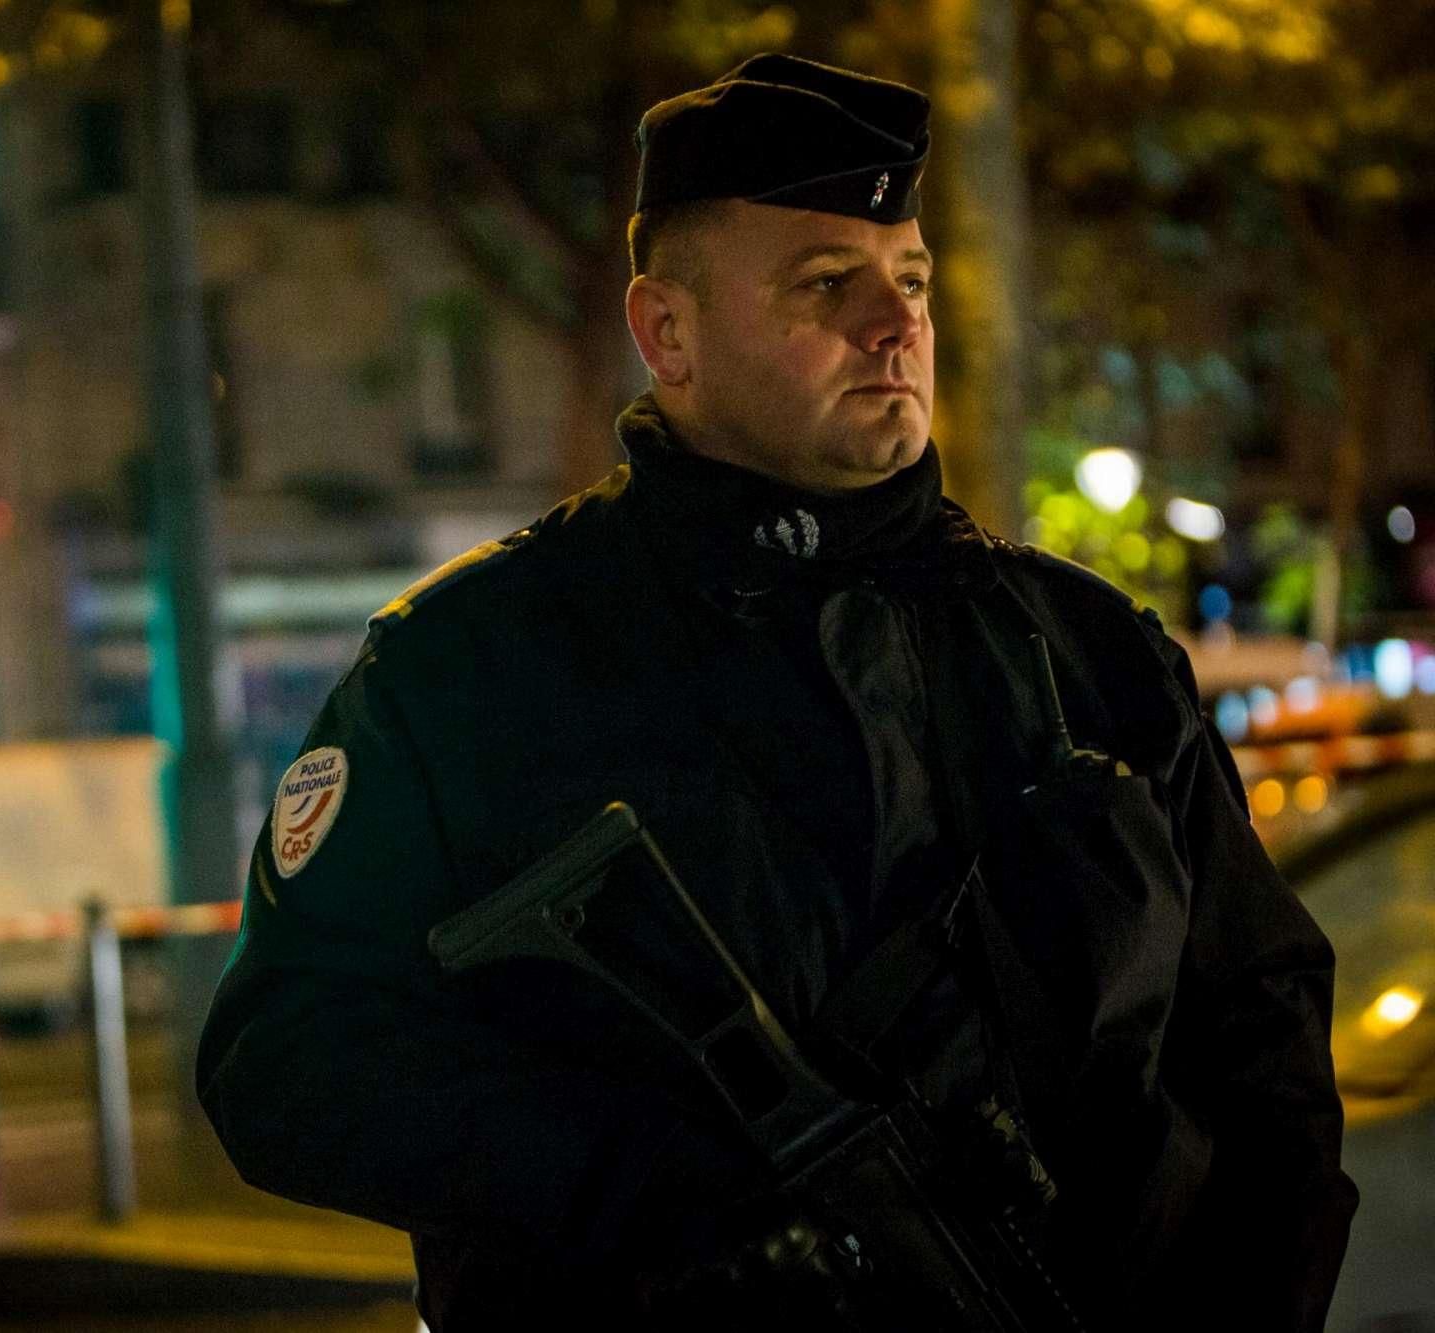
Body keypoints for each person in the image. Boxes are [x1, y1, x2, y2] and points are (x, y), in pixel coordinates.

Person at [197, 54, 1355, 1330]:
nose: (894, 325)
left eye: (909, 280)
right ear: (666, 334)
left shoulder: (1087, 652)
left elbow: (1262, 1031)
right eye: (825, 284)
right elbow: (284, 1056)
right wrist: (648, 1189)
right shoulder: (470, 668)